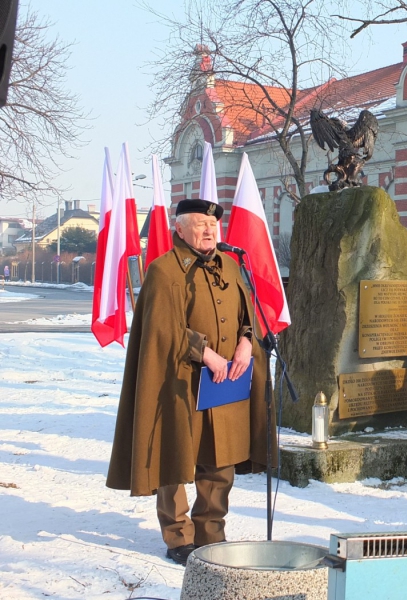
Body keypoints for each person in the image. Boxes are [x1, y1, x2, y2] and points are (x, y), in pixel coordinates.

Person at [106, 199, 271, 565]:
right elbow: (162, 330)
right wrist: (206, 353)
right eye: (199, 224)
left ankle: (211, 530)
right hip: (179, 382)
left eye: (213, 223)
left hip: (224, 383)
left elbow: (248, 315)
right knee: (175, 459)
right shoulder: (164, 271)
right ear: (178, 229)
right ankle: (178, 535)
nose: (209, 230)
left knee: (221, 460)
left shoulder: (230, 265)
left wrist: (246, 341)